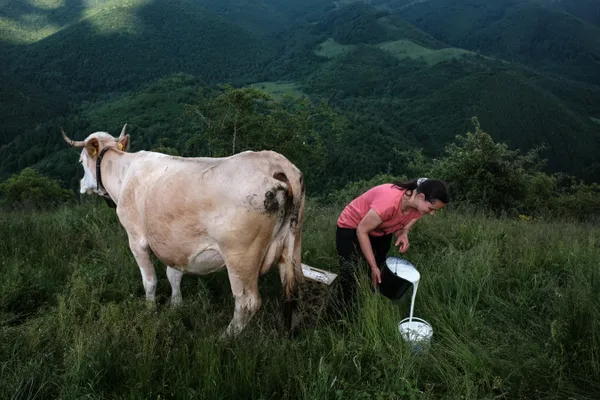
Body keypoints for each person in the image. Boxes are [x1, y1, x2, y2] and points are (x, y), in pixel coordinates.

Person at [335, 177, 449, 309]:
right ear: (421, 196)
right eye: (431, 208)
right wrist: (373, 266)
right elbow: (362, 230)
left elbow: (404, 223)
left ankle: (370, 302)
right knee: (351, 271)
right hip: (353, 226)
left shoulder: (419, 207)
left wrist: (403, 233)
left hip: (380, 229)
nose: (432, 213)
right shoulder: (389, 202)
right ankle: (343, 312)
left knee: (379, 267)